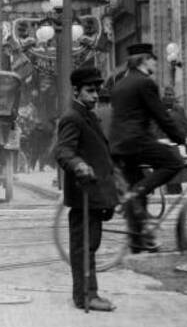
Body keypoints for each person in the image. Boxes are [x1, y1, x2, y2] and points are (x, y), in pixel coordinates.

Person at [109, 42, 187, 252]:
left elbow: (133, 117)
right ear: (143, 60)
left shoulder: (120, 84)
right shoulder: (145, 83)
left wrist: (155, 140)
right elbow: (160, 116)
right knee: (174, 163)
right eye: (153, 60)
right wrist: (184, 140)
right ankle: (137, 192)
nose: (155, 65)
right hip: (135, 141)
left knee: (135, 188)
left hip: (120, 145)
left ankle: (138, 242)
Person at [54, 66, 118, 312]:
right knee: (84, 248)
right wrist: (78, 164)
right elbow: (63, 151)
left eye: (96, 91)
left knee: (90, 246)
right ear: (76, 91)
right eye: (89, 91)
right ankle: (86, 297)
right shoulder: (73, 118)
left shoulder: (89, 116)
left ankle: (88, 294)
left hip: (94, 195)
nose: (94, 96)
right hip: (83, 195)